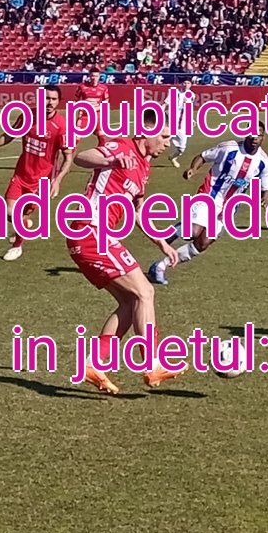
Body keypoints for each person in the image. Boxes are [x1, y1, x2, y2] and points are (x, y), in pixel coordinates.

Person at [66, 109, 182, 394]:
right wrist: (111, 159)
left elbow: (138, 212)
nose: (168, 143)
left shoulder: (144, 167)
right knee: (145, 292)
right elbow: (82, 157)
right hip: (90, 229)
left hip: (96, 235)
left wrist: (162, 243)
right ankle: (152, 364)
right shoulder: (121, 147)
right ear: (146, 133)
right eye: (164, 136)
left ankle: (93, 364)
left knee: (131, 303)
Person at [148, 123, 268, 286]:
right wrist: (193, 169)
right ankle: (166, 236)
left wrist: (264, 199)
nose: (255, 138)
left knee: (203, 243)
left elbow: (267, 186)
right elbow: (203, 156)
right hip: (209, 195)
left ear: (263, 137)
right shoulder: (229, 148)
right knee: (193, 231)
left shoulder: (264, 162)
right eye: (252, 134)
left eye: (259, 135)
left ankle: (160, 266)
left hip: (228, 209)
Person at [0, 85, 75, 261]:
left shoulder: (63, 126)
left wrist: (57, 180)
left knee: (21, 215)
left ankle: (17, 247)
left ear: (59, 101)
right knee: (8, 212)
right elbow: (9, 135)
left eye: (53, 99)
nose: (49, 102)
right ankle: (25, 226)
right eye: (46, 98)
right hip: (21, 174)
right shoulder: (28, 116)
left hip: (41, 181)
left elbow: (68, 158)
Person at [166, 78, 195, 169]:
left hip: (183, 123)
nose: (186, 85)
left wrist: (191, 119)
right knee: (162, 140)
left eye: (188, 83)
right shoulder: (174, 93)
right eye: (184, 83)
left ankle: (172, 157)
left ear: (191, 85)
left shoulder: (192, 95)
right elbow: (166, 103)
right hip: (173, 121)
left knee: (182, 148)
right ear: (181, 84)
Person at [74, 68, 110, 141]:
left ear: (99, 76)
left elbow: (106, 103)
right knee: (76, 138)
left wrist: (94, 109)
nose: (94, 78)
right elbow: (75, 100)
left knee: (102, 138)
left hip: (97, 115)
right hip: (85, 115)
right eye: (92, 76)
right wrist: (79, 108)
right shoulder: (82, 87)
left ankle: (100, 148)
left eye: (96, 76)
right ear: (89, 76)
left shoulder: (103, 88)